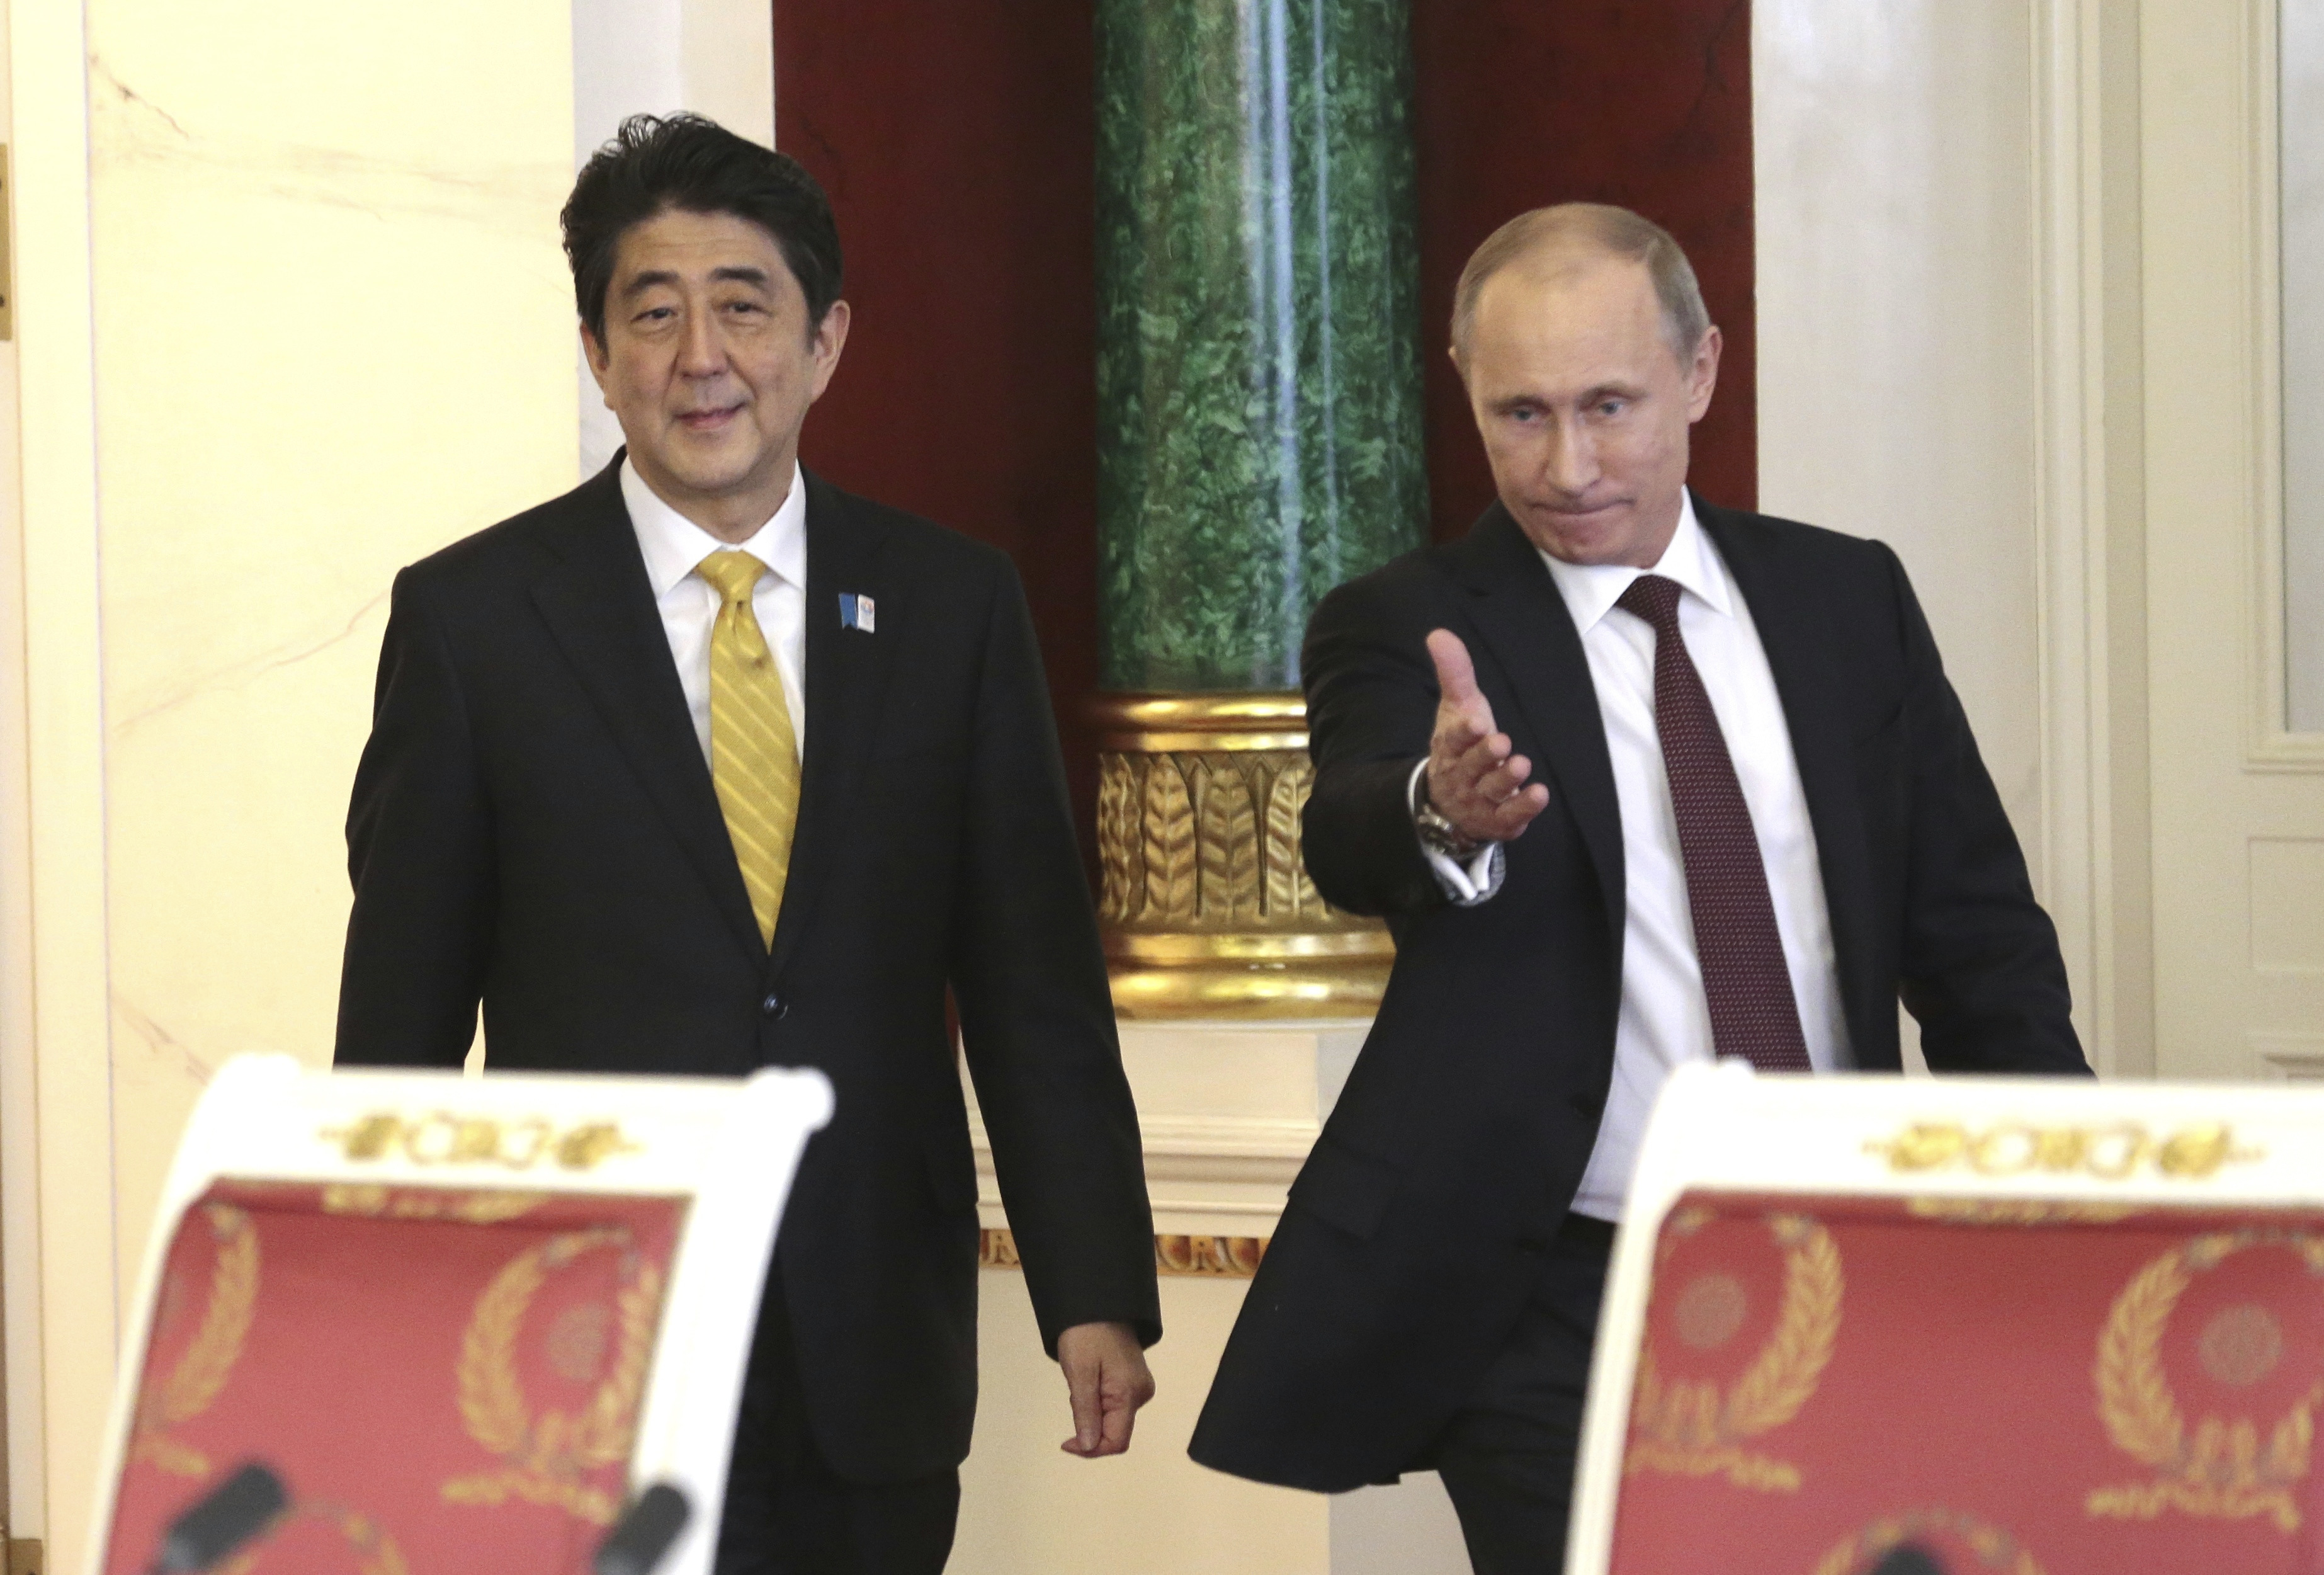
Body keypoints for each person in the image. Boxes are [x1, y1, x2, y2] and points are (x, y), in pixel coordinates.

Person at [1188, 203, 2090, 1572]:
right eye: (1520, 414)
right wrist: (1444, 807)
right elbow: (1350, 829)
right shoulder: (1406, 624)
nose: (1566, 464)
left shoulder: (1846, 600)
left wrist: (2056, 1212)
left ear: (1701, 373)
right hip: (1555, 1291)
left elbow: (1973, 937)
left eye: (1609, 405)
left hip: (1846, 1257)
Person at [334, 113, 1159, 1575]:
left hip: (873, 1338)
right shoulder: (473, 623)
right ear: (597, 354)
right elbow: (400, 1012)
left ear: (823, 341)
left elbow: (1030, 975)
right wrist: (390, 1310)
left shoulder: (952, 607)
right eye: (651, 313)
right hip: (581, 1343)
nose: (699, 356)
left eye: (743, 306)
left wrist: (1091, 1282)